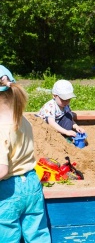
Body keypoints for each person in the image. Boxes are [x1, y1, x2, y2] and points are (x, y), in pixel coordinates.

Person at [0, 65, 51, 242]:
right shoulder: (23, 120)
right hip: (31, 181)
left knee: (7, 235)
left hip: (8, 189)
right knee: (37, 234)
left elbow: (2, 170)